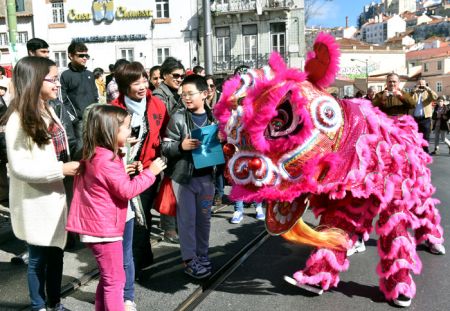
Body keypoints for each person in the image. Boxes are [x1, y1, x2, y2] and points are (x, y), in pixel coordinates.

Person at [66, 105, 166, 311]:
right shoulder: (107, 160)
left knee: (108, 277)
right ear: (110, 131)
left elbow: (111, 182)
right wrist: (151, 172)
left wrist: (121, 157)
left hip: (98, 226)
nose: (131, 132)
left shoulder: (97, 153)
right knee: (115, 280)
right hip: (104, 229)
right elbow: (127, 190)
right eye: (127, 128)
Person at [2, 56, 80, 311]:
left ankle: (55, 303)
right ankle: (39, 306)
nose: (58, 84)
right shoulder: (18, 119)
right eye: (53, 79)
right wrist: (61, 169)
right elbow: (20, 167)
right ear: (36, 81)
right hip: (35, 201)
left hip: (55, 195)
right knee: (38, 258)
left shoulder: (47, 108)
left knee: (56, 254)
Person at [111, 62, 169, 282]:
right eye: (136, 83)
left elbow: (164, 134)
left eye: (144, 80)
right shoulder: (114, 109)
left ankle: (141, 260)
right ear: (125, 87)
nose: (143, 86)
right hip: (121, 172)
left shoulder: (157, 105)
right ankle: (131, 263)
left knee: (143, 216)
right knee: (129, 219)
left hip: (147, 170)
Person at [161, 74, 215, 279]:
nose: (186, 98)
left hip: (207, 177)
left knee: (204, 219)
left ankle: (202, 254)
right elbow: (165, 147)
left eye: (190, 94)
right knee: (187, 220)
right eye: (183, 95)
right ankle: (190, 259)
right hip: (183, 178)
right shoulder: (178, 117)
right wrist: (180, 146)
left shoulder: (214, 117)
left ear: (204, 93)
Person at [153, 57, 186, 243]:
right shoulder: (160, 96)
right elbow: (167, 122)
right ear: (165, 75)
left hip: (175, 146)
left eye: (182, 76)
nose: (180, 79)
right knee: (168, 189)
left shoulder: (174, 93)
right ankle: (169, 228)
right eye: (176, 75)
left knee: (176, 188)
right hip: (165, 148)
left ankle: (175, 226)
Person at [60, 41, 98, 140]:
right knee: (81, 151)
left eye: (86, 55)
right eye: (81, 55)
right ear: (71, 56)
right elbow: (62, 100)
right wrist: (74, 119)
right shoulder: (65, 75)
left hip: (94, 119)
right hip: (79, 122)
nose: (85, 58)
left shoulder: (90, 74)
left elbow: (95, 96)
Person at [411, 79, 438, 153]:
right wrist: (414, 90)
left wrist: (428, 89)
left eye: (422, 84)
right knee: (414, 137)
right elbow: (408, 99)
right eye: (419, 84)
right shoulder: (414, 93)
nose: (421, 86)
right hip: (414, 119)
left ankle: (425, 153)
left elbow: (435, 97)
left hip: (425, 119)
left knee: (425, 137)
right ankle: (417, 153)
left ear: (426, 85)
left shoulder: (428, 93)